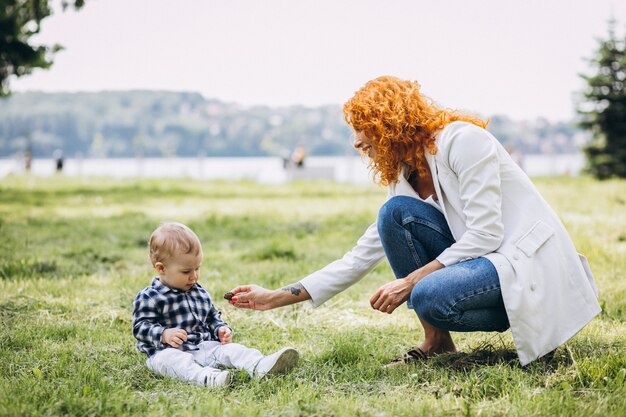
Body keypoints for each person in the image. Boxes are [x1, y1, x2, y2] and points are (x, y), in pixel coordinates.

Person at [227, 76, 600, 366]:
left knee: (427, 293)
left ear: (391, 122)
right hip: (486, 265)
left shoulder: (463, 141)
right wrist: (276, 296)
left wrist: (410, 281)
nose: (357, 142)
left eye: (363, 126)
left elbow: (487, 234)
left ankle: (532, 322)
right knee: (393, 216)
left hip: (525, 265)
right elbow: (360, 256)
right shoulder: (404, 175)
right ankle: (437, 342)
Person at [132, 222, 299, 387]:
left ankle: (259, 365)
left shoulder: (199, 292)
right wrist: (164, 334)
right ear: (161, 269)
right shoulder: (150, 296)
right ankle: (206, 377)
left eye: (197, 268)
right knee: (170, 362)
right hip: (169, 351)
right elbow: (140, 327)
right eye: (186, 271)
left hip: (204, 347)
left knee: (232, 350)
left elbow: (212, 317)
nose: (194, 276)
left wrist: (220, 329)